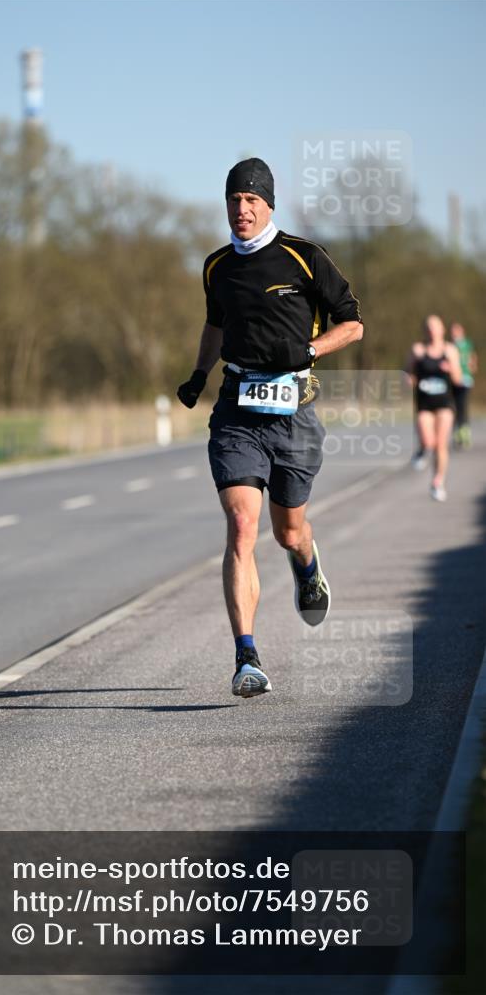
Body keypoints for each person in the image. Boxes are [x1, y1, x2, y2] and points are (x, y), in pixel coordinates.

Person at [177, 158, 363, 699]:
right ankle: (247, 658)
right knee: (241, 526)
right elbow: (214, 324)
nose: (242, 208)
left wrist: (308, 350)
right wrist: (199, 374)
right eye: (234, 199)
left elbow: (353, 324)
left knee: (287, 533)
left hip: (293, 415)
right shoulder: (217, 267)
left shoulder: (305, 257)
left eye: (252, 200)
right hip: (237, 411)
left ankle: (306, 564)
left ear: (268, 205)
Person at [405, 315, 462, 501]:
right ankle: (422, 449)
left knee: (441, 444)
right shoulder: (418, 350)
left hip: (445, 403)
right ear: (424, 330)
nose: (432, 330)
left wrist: (450, 368)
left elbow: (458, 379)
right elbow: (408, 373)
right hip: (424, 403)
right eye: (429, 327)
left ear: (442, 329)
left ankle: (438, 482)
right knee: (429, 441)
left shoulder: (450, 350)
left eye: (436, 326)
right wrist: (408, 380)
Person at [449, 322, 478, 449]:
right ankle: (457, 432)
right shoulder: (449, 346)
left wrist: (472, 367)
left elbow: (472, 357)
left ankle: (464, 433)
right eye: (452, 331)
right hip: (452, 380)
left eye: (456, 331)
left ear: (461, 331)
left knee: (462, 406)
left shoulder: (467, 344)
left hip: (465, 379)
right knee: (452, 407)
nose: (454, 333)